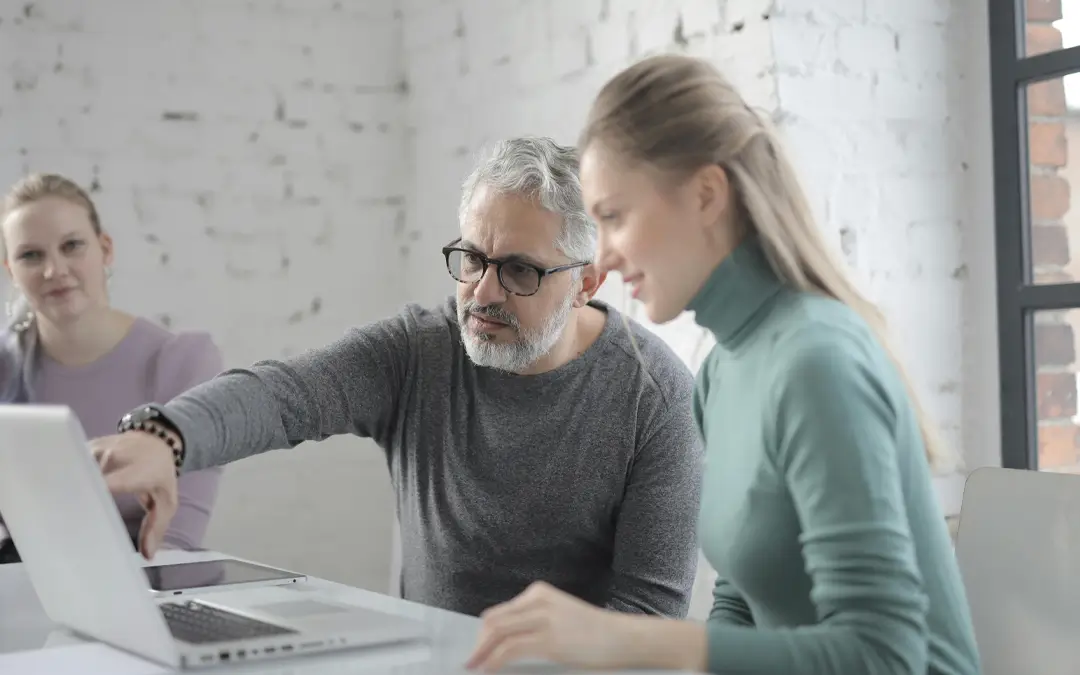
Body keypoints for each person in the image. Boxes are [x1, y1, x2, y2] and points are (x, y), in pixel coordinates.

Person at [462, 56, 983, 674]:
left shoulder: (818, 362)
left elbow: (884, 657)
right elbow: (742, 602)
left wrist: (625, 641)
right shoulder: (720, 372)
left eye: (615, 216)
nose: (601, 255)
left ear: (707, 195)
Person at [88, 137, 704, 618]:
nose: (482, 293)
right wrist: (165, 436)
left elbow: (650, 619)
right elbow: (286, 396)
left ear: (587, 283)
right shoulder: (420, 350)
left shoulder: (658, 398)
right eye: (472, 260)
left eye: (519, 270)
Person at [0, 173, 224, 564]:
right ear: (10, 270)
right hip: (24, 591)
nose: (54, 270)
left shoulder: (180, 361)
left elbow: (175, 542)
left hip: (150, 593)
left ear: (105, 250)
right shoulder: (6, 363)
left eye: (71, 246)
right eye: (30, 255)